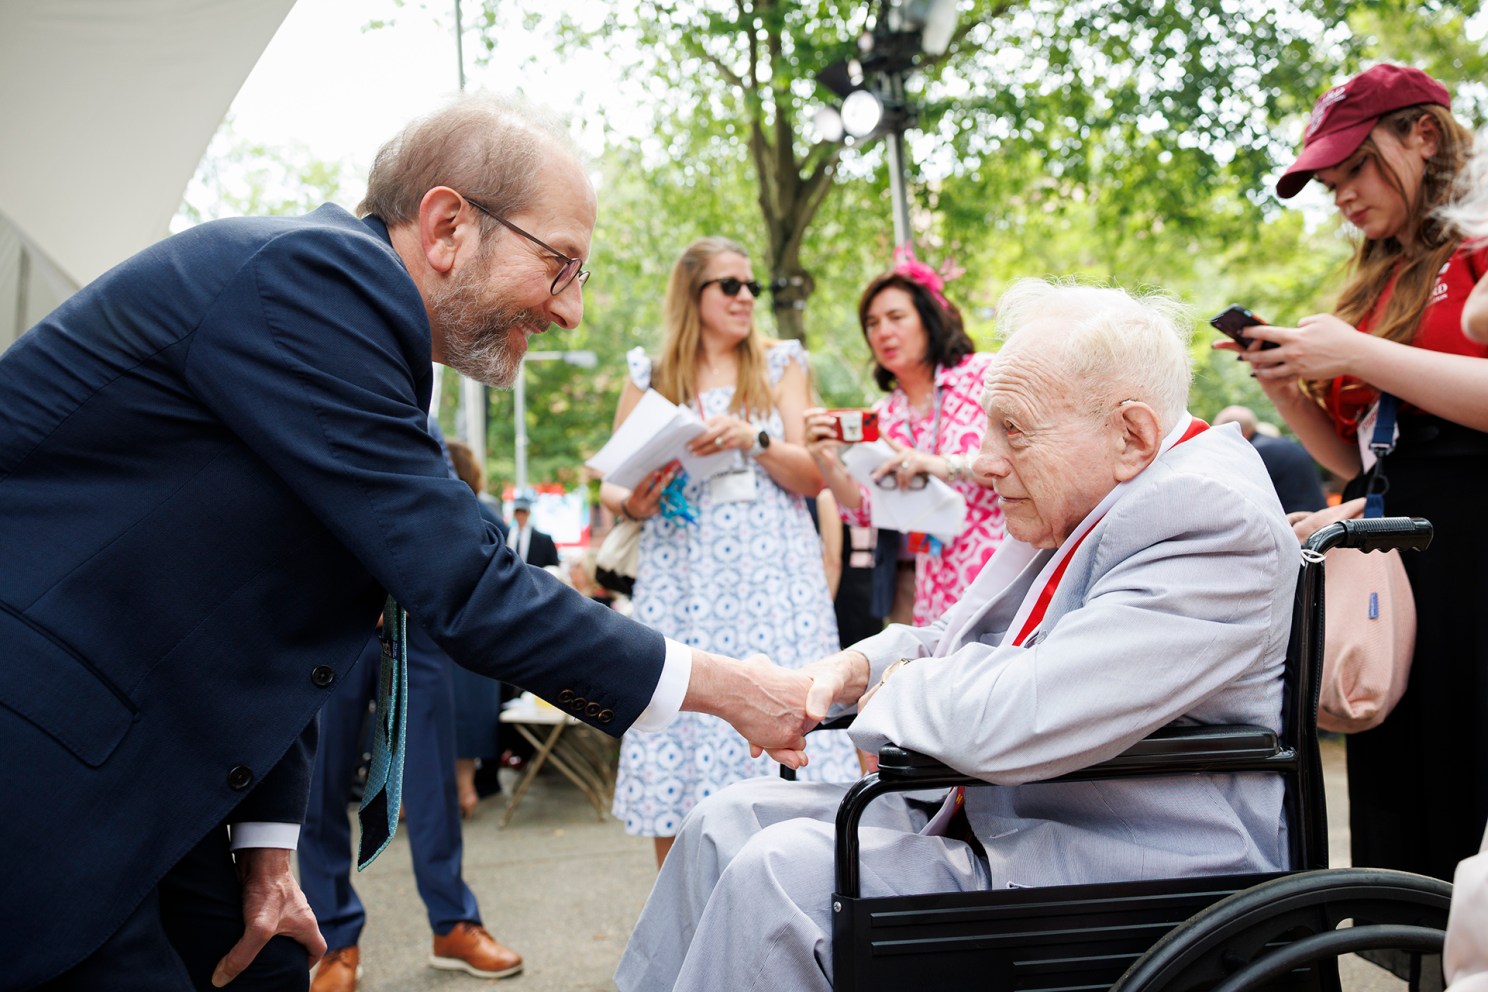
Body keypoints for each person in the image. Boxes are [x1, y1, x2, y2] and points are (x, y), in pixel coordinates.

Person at [0, 95, 821, 992]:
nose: (573, 312)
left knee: (268, 969)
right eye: (560, 265)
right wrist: (732, 690)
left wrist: (268, 848)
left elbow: (286, 618)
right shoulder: (311, 280)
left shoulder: (355, 331)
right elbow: (469, 583)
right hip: (52, 749)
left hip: (158, 760)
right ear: (447, 227)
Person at [614, 277, 1297, 992]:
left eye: (1013, 429)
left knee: (777, 875)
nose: (984, 459)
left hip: (1125, 863)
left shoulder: (1206, 516)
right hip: (1026, 813)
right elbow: (958, 635)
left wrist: (885, 689)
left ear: (1131, 434)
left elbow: (1022, 710)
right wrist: (847, 671)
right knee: (723, 819)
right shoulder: (1102, 486)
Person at [1230, 63, 1488, 883]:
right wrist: (1284, 385)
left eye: (1355, 169)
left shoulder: (1478, 247)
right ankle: (1412, 938)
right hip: (1392, 549)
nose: (1341, 195)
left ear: (1424, 135)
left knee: (1466, 763)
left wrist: (1356, 352)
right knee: (1398, 772)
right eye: (1329, 182)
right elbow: (1356, 457)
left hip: (1474, 549)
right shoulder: (1377, 277)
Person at [600, 236, 860, 867]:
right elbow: (611, 483)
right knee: (679, 722)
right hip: (682, 581)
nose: (746, 297)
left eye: (752, 286)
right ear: (693, 293)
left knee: (793, 723)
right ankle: (685, 915)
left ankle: (799, 895)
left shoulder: (779, 363)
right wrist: (638, 501)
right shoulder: (651, 374)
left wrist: (755, 439)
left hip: (773, 582)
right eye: (730, 285)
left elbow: (815, 476)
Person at [300, 629, 518, 992]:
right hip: (329, 625)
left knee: (435, 787)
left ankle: (453, 923)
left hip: (411, 626)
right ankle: (335, 940)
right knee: (318, 789)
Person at [805, 251, 1005, 627]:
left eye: (896, 317)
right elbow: (866, 509)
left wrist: (941, 465)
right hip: (930, 587)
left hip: (1002, 571)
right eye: (872, 323)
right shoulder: (883, 415)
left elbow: (1023, 460)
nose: (882, 332)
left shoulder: (985, 375)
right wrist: (825, 461)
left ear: (928, 319)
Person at [442, 437, 507, 817]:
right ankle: (466, 791)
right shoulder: (490, 517)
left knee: (435, 719)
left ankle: (415, 801)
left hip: (439, 633)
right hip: (481, 634)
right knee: (468, 718)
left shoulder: (441, 510)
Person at [1213, 405, 1327, 513]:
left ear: (1235, 431)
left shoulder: (1255, 453)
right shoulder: (1285, 443)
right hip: (1319, 515)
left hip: (1296, 520)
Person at [506, 493, 560, 568]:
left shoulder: (544, 540)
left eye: (523, 512)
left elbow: (553, 566)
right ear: (514, 514)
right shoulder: (508, 535)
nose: (520, 515)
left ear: (528, 513)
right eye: (518, 512)